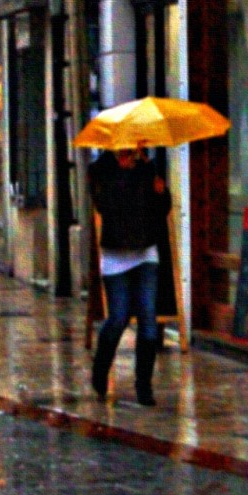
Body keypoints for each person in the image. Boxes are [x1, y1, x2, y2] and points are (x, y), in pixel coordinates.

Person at [88, 148, 172, 405]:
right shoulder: (100, 170)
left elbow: (161, 209)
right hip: (116, 254)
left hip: (146, 251)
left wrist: (161, 192)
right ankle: (100, 371)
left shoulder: (147, 166)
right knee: (119, 317)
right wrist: (124, 173)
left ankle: (144, 387)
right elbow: (105, 206)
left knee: (148, 317)